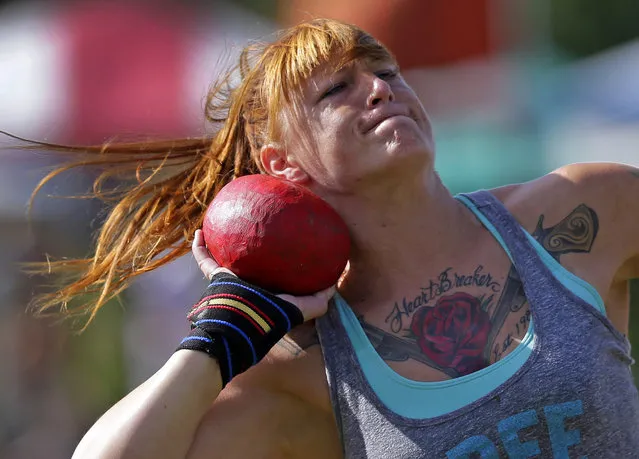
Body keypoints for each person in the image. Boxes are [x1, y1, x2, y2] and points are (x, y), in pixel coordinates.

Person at [26, 18, 639, 458]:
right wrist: (219, 336)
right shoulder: (312, 369)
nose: (381, 89)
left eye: (386, 71)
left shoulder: (578, 212)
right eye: (335, 90)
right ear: (283, 164)